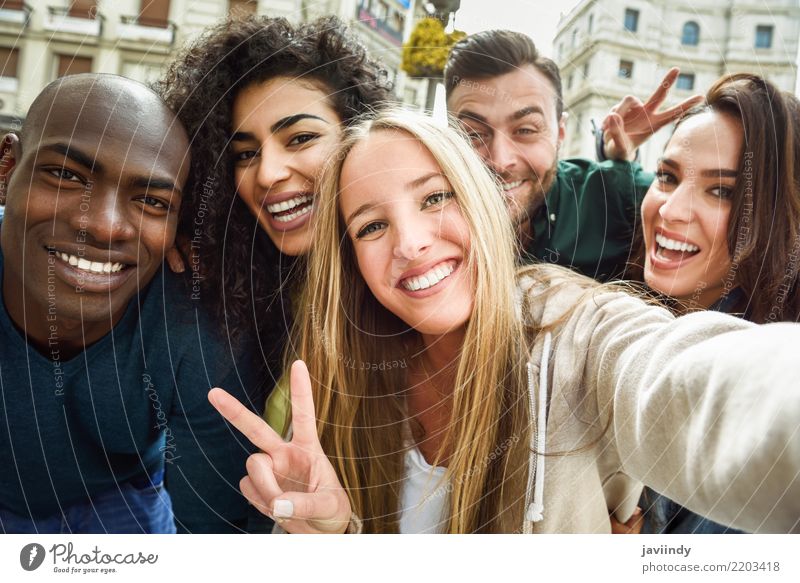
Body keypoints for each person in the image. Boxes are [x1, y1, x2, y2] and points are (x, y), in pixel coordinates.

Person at [208, 108, 800, 533]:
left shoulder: (576, 328)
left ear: (484, 200)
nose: (411, 243)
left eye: (436, 197)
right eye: (371, 225)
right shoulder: (340, 383)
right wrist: (333, 539)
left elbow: (684, 380)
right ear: (352, 263)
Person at [0, 74, 258, 533]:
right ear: (7, 169)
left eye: (153, 202)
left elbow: (210, 536)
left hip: (123, 501)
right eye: (65, 175)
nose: (104, 225)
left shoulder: (199, 328)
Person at [157, 15, 394, 391]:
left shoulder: (412, 283)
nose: (267, 174)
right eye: (245, 154)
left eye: (300, 138)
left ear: (358, 134)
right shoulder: (226, 287)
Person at [630, 73, 800, 533]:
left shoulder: (770, 396)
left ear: (779, 214)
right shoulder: (636, 318)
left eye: (722, 191)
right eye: (666, 177)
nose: (670, 210)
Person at [444, 30, 702, 280]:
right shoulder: (426, 218)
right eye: (474, 134)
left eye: (525, 130)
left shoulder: (609, 195)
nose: (500, 161)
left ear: (560, 132)